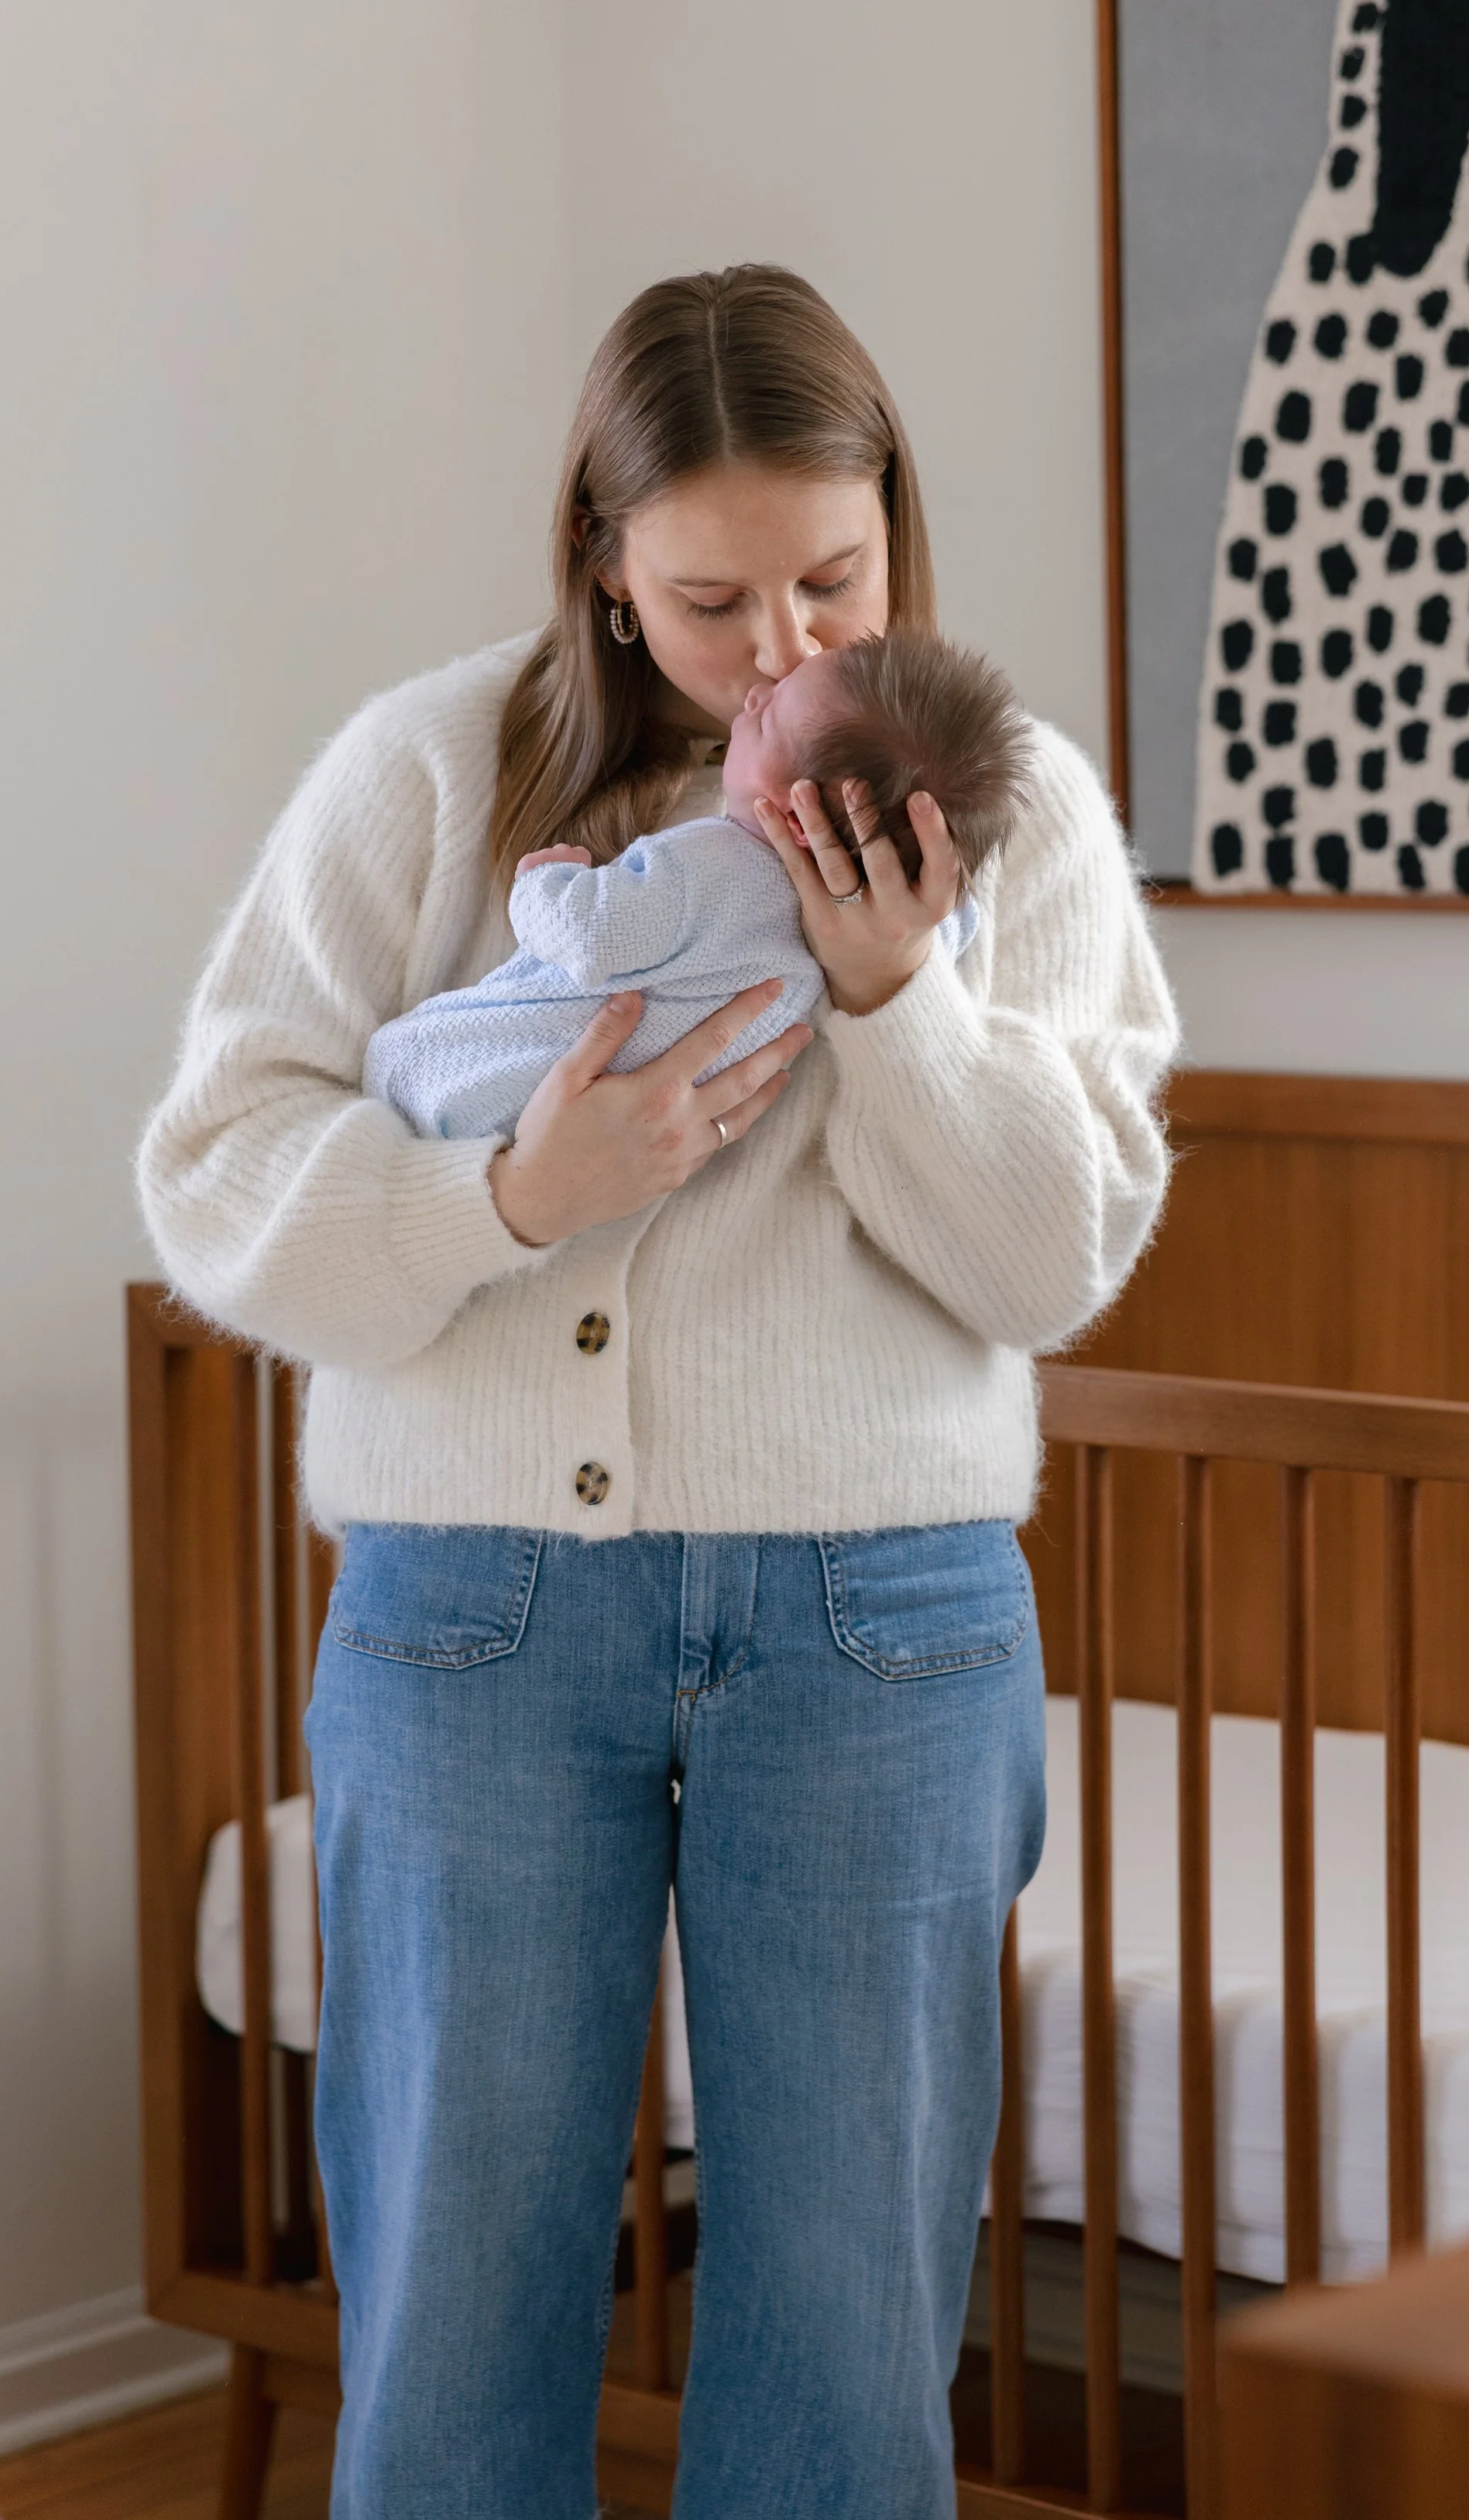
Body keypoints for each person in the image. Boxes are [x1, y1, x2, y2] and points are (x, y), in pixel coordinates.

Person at [138, 263, 1178, 2520]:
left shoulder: (1005, 806)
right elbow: (213, 1175)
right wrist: (512, 1192)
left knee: (849, 2330)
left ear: (894, 527)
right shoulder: (431, 770)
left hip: (876, 1621)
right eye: (712, 600)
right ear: (605, 560)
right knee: (451, 2303)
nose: (782, 647)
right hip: (479, 1616)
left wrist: (897, 1000)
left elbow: (1054, 1254)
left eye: (834, 579)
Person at [362, 629, 1028, 1143]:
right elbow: (952, 929)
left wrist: (546, 882)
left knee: (400, 1057)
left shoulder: (712, 864)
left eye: (767, 719)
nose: (757, 694)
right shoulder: (912, 921)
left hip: (497, 1084)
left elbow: (594, 936)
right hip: (618, 1120)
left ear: (797, 818)